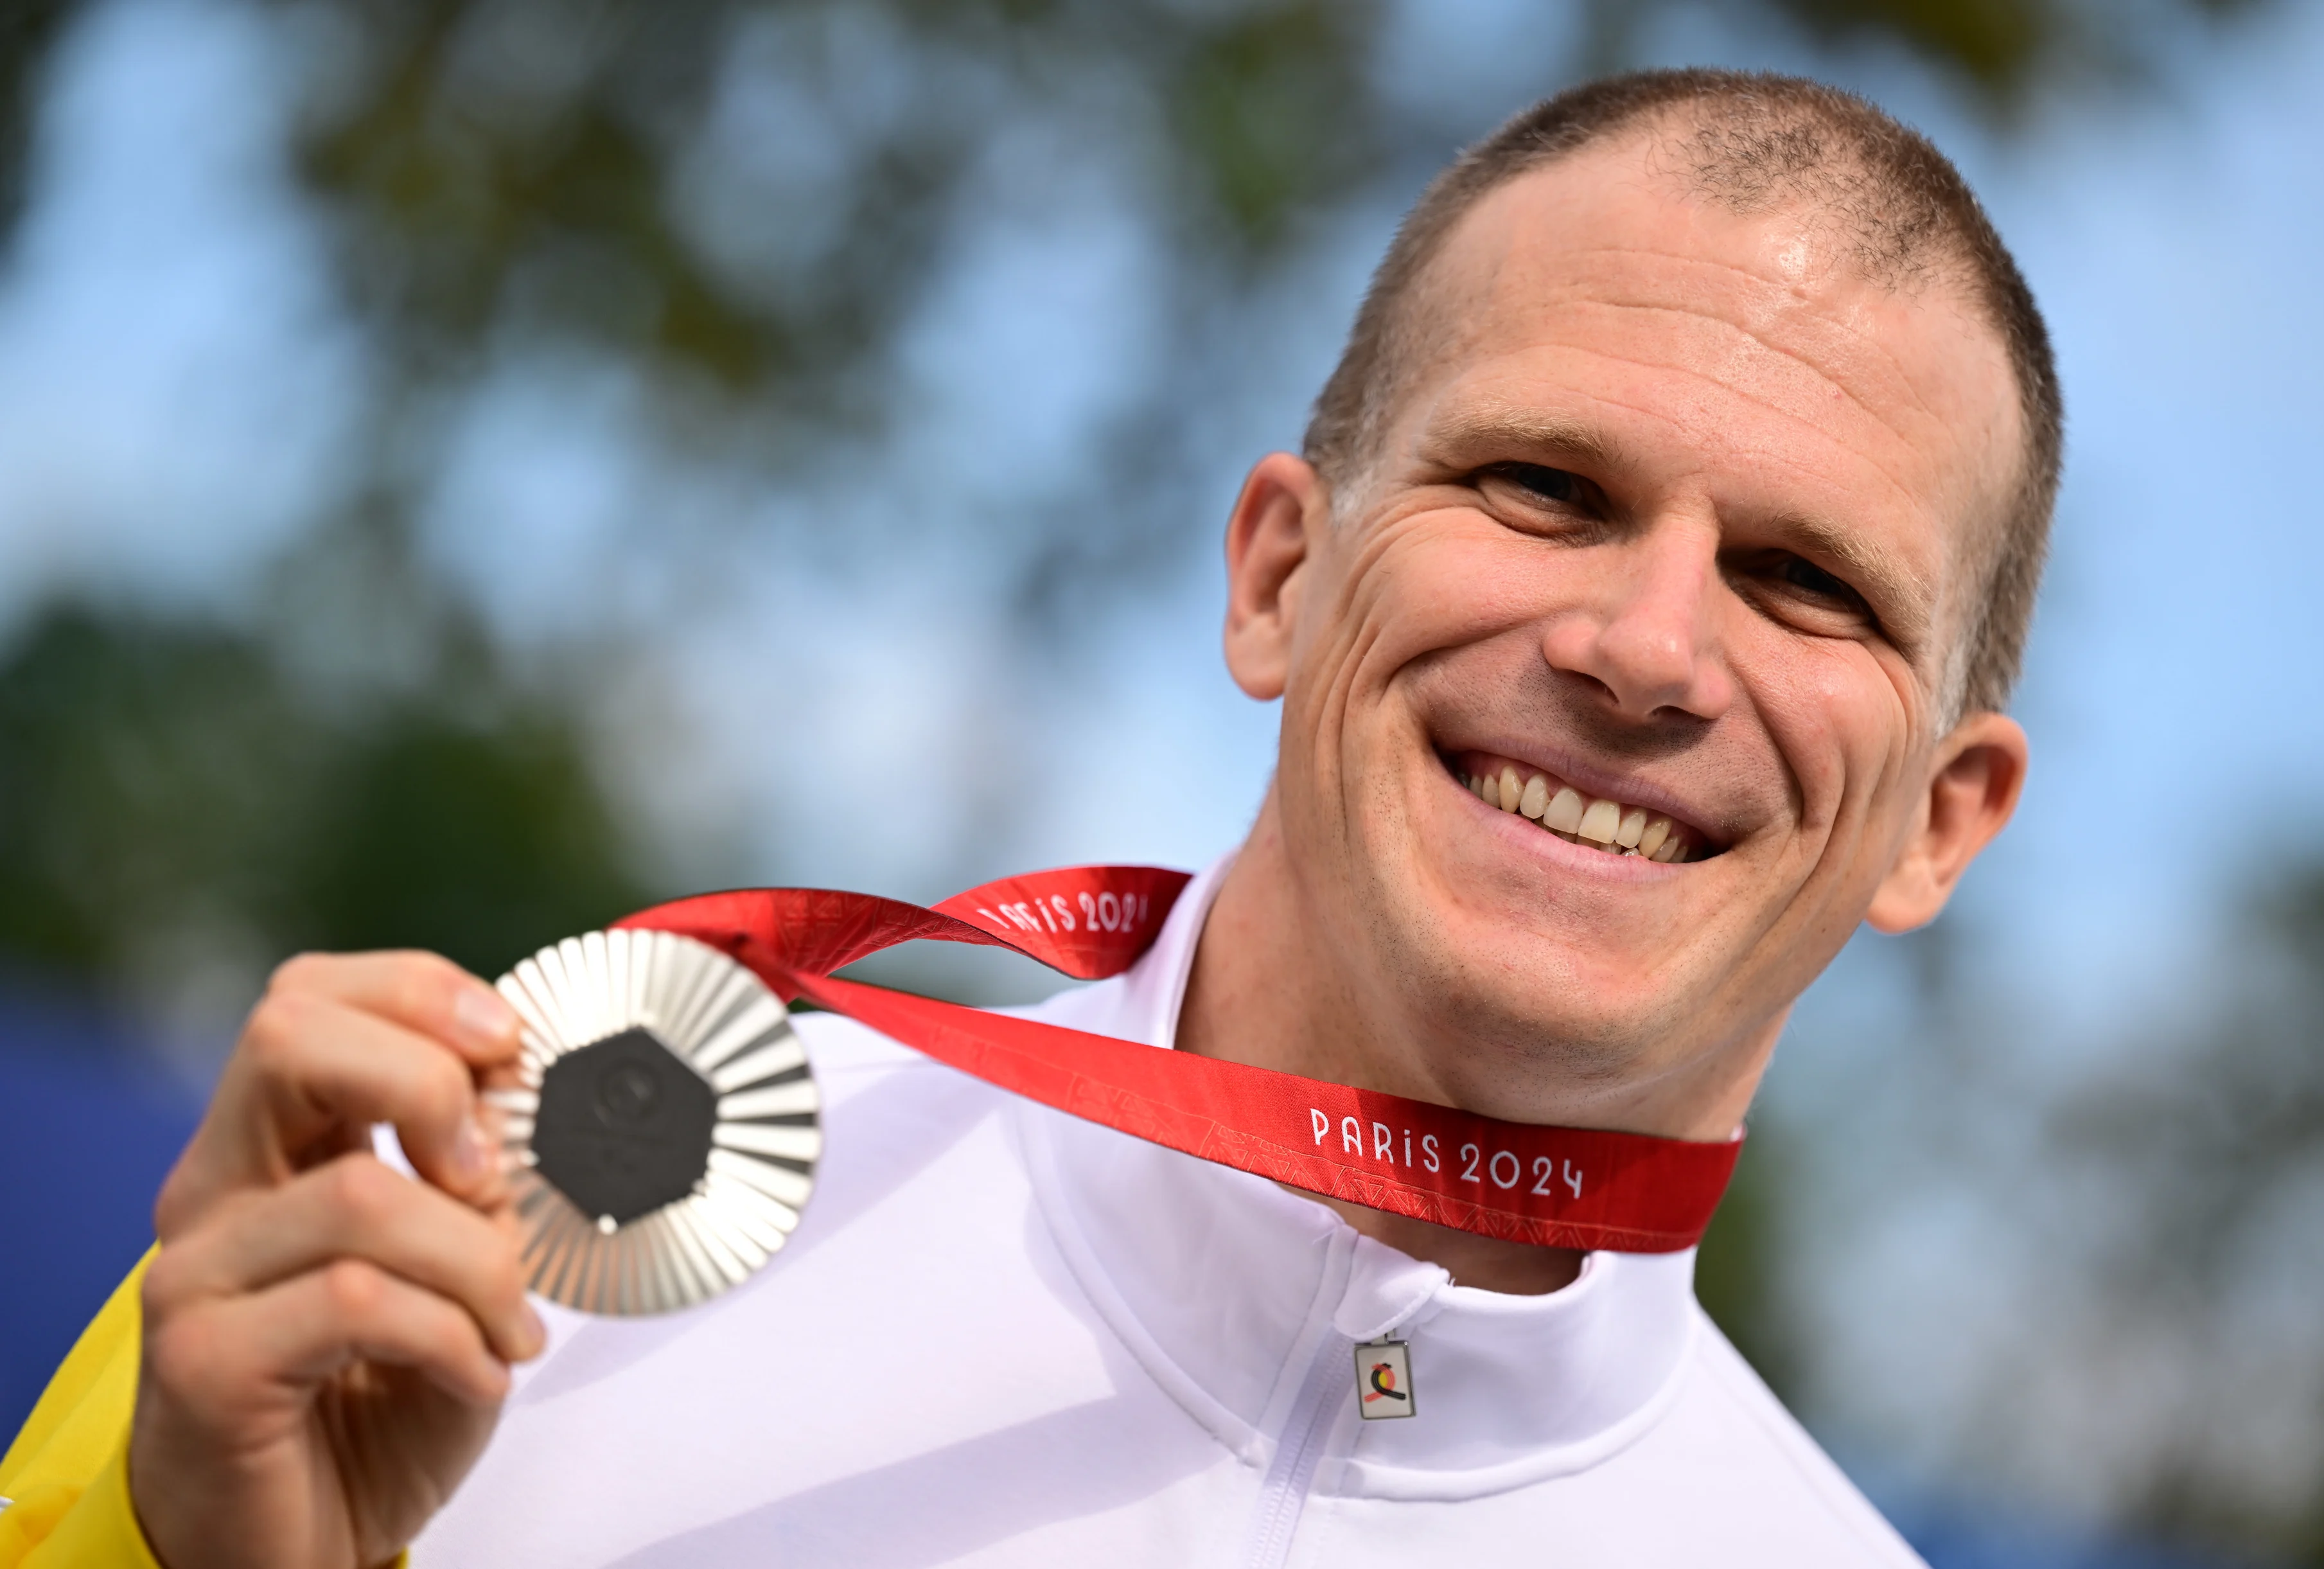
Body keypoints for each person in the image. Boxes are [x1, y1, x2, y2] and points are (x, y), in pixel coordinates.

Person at [0, 66, 2053, 1567]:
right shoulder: (459, 1237)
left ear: (1937, 824)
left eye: (1810, 585)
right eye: (1545, 487)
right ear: (1277, 578)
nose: (1647, 645)